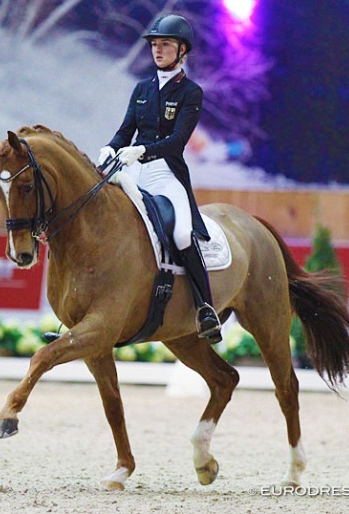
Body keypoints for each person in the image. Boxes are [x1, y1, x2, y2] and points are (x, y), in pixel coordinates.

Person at [98, 14, 222, 343]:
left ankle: (205, 307)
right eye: (155, 44)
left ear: (182, 50)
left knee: (182, 233)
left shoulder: (190, 92)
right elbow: (125, 132)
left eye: (165, 44)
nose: (158, 50)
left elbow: (178, 141)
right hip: (134, 171)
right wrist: (110, 148)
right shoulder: (142, 89)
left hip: (166, 173)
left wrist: (141, 151)